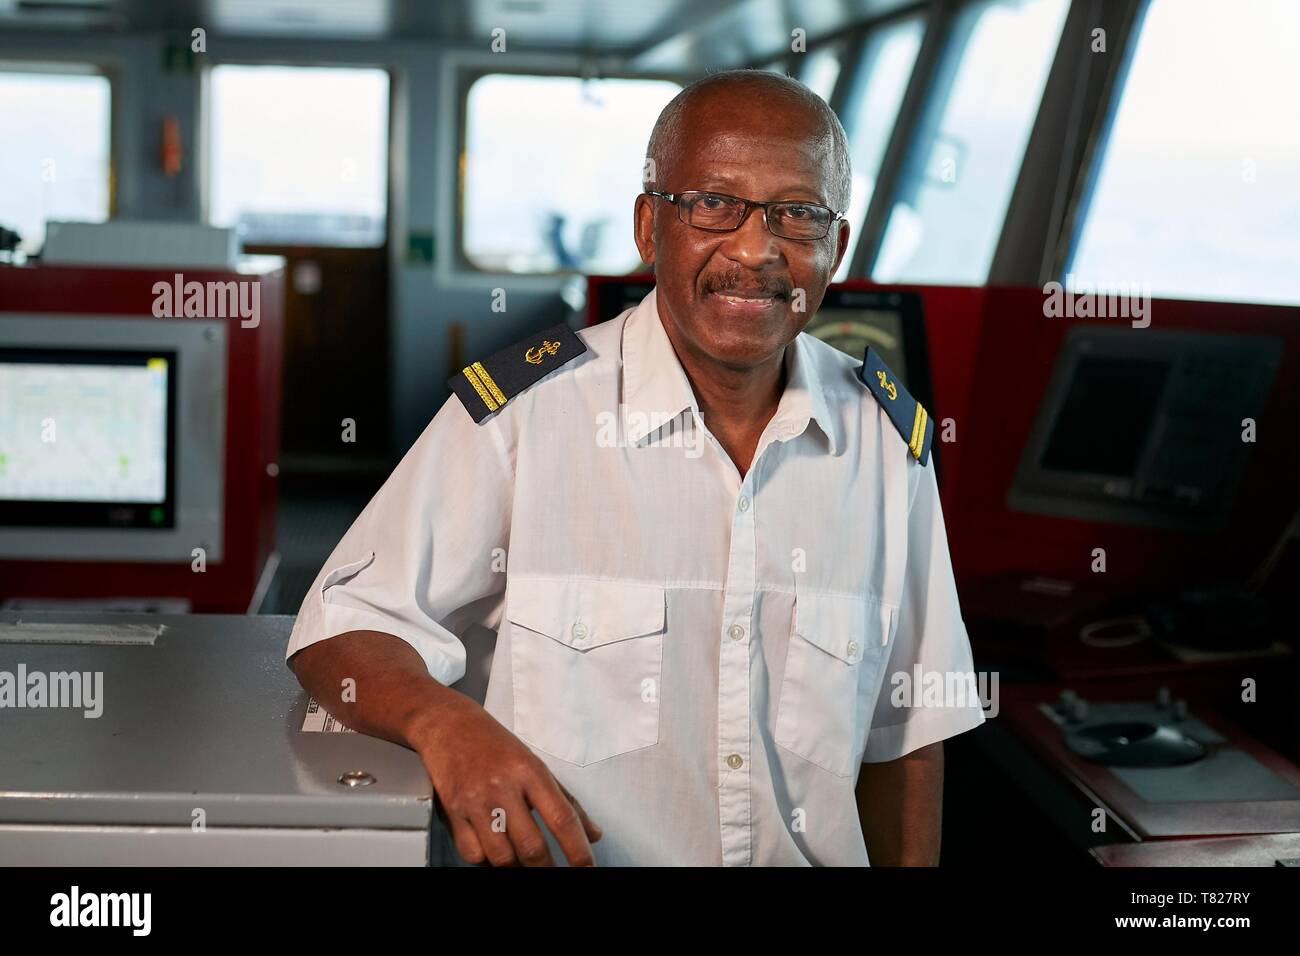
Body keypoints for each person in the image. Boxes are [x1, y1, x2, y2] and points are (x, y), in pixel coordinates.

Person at [286, 69, 984, 866]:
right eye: (716, 204)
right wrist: (447, 724)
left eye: (798, 214)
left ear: (837, 247)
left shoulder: (889, 449)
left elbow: (906, 739)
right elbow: (343, 625)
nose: (756, 249)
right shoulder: (524, 419)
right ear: (651, 226)